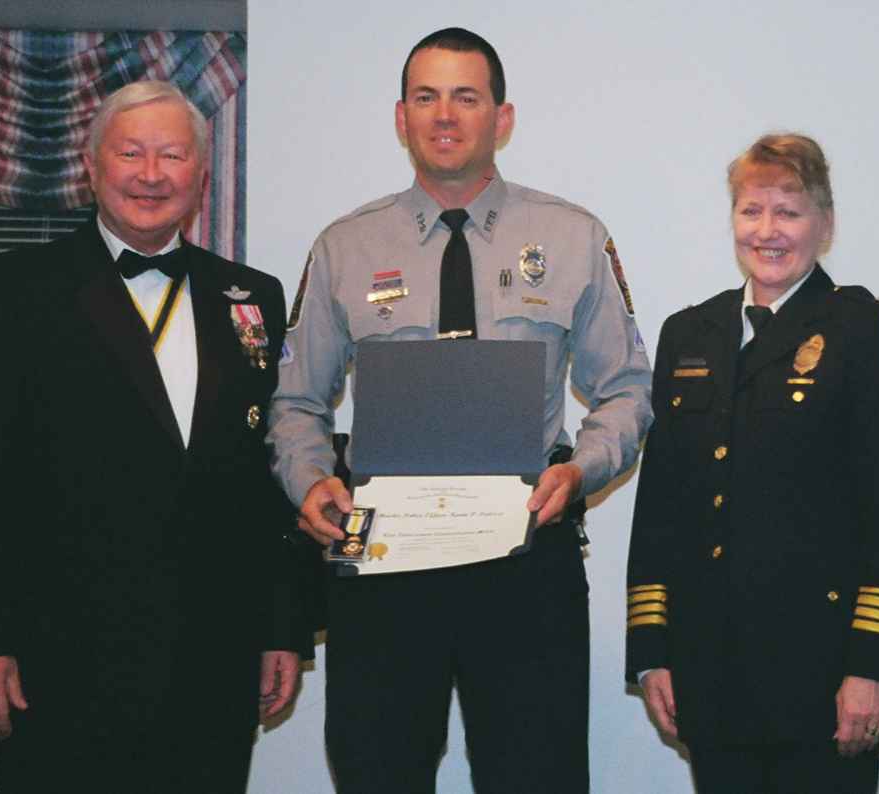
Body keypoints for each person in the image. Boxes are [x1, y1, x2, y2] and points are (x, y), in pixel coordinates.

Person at [268, 27, 652, 794]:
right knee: (378, 774)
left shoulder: (572, 237)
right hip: (383, 566)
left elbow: (628, 390)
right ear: (401, 117)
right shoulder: (345, 245)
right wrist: (309, 482)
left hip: (524, 555)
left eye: (466, 97)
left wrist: (579, 470)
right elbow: (296, 401)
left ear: (502, 118)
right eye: (426, 97)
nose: (446, 115)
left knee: (536, 777)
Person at [0, 81, 310, 793]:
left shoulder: (250, 296)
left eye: (172, 155)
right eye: (131, 152)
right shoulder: (10, 289)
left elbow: (264, 476)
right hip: (57, 657)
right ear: (91, 164)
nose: (151, 173)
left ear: (201, 175)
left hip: (213, 658)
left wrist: (280, 624)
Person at [626, 133, 879, 793]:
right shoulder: (690, 334)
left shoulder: (866, 329)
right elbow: (662, 504)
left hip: (823, 680)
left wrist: (874, 666)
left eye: (788, 213)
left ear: (825, 225)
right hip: (708, 671)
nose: (767, 231)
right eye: (750, 210)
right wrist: (653, 650)